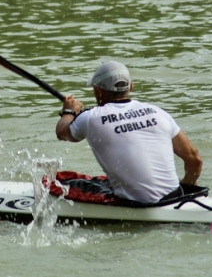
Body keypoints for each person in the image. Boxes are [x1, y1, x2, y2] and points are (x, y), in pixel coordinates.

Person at [55, 60, 202, 204]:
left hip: (139, 204)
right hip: (174, 195)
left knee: (59, 182)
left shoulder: (90, 118)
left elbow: (61, 132)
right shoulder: (158, 112)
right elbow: (195, 160)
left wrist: (69, 110)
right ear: (130, 87)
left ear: (98, 90)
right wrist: (187, 184)